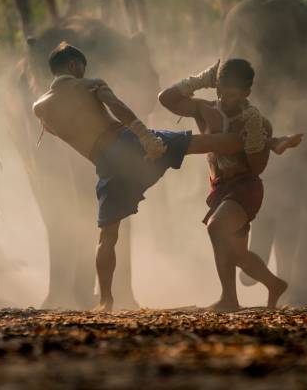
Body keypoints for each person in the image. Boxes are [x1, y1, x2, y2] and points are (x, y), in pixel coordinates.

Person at [33, 42, 264, 311]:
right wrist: (144, 135)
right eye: (82, 67)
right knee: (200, 143)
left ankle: (106, 300)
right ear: (74, 65)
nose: (84, 72)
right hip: (128, 142)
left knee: (107, 237)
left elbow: (57, 130)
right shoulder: (90, 85)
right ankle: (262, 139)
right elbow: (118, 107)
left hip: (106, 164)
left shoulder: (40, 108)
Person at [159, 59, 302, 311]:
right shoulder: (206, 110)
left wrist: (259, 138)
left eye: (233, 95)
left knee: (216, 229)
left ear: (246, 93)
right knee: (238, 253)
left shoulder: (256, 121)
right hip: (219, 188)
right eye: (222, 92)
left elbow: (257, 168)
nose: (226, 99)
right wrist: (201, 79)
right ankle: (270, 285)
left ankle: (229, 299)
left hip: (245, 188)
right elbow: (166, 99)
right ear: (217, 88)